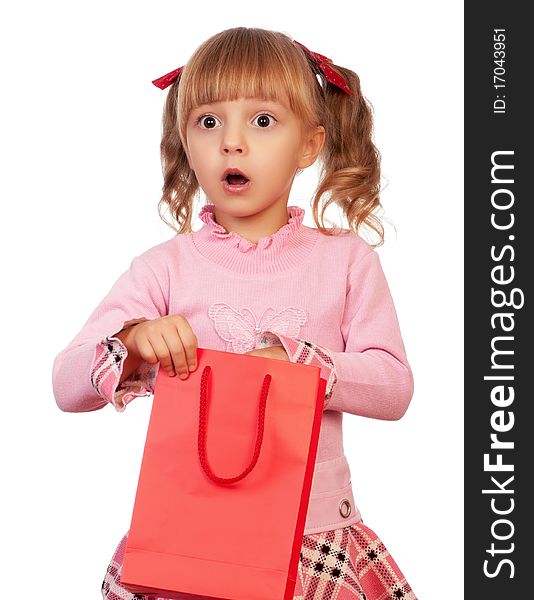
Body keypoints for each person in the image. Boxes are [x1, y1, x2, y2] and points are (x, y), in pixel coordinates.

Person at [52, 27, 417, 600]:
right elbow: (65, 384)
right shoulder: (164, 268)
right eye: (209, 121)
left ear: (309, 144)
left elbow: (394, 386)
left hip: (311, 538)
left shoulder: (346, 260)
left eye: (263, 121)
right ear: (185, 141)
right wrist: (136, 342)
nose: (232, 143)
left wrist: (303, 365)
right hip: (192, 540)